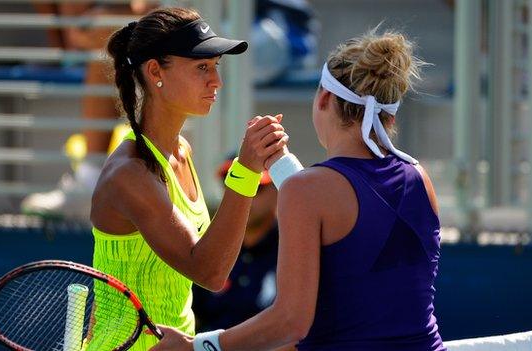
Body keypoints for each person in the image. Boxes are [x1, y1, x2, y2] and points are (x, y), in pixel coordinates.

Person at [151, 28, 445, 351]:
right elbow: (355, 232)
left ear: (324, 99)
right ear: (388, 116)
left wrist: (197, 347)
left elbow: (290, 322)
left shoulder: (307, 192)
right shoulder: (419, 177)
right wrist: (281, 165)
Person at [84, 7, 288, 350]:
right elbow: (210, 272)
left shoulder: (182, 151)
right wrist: (246, 171)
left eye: (215, 67)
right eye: (201, 67)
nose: (216, 81)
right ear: (155, 72)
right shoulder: (129, 175)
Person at [22, 1, 158, 220]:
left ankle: (92, 179)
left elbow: (146, 8)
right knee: (107, 33)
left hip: (201, 25)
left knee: (108, 32)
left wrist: (93, 27)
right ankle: (91, 179)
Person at [192, 155, 279, 331]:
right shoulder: (209, 247)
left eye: (255, 187)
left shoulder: (296, 248)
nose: (244, 196)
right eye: (233, 186)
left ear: (278, 189)